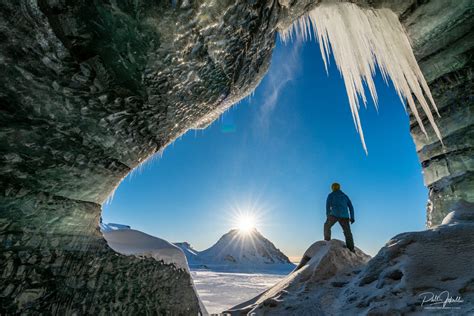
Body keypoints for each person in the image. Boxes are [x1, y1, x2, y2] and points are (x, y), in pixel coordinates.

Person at [324, 182, 355, 252]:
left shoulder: (331, 195)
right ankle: (351, 248)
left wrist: (328, 215)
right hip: (344, 216)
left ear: (332, 188)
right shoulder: (345, 196)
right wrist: (352, 217)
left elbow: (327, 206)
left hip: (334, 215)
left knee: (327, 226)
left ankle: (327, 241)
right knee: (347, 232)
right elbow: (351, 207)